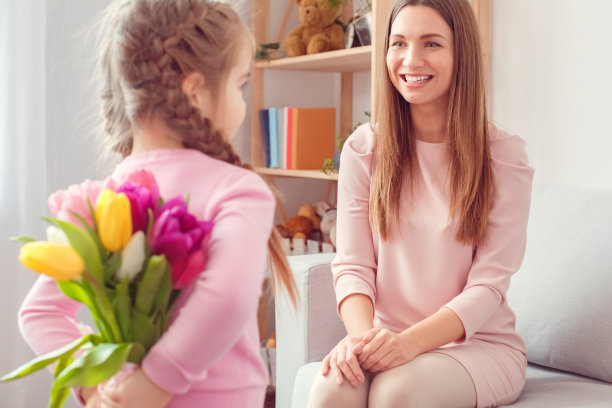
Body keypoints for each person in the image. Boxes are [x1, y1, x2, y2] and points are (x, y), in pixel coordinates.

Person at [18, 1, 297, 407]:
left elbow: (38, 314)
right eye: (240, 84)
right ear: (195, 90)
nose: (241, 101)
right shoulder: (238, 188)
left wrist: (98, 388)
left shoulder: (103, 199)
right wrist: (154, 384)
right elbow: (228, 299)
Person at [307, 0, 534, 407]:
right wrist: (362, 341)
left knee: (398, 393)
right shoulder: (364, 149)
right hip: (386, 338)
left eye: (431, 44)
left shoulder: (504, 155)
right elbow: (354, 266)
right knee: (328, 394)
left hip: (477, 346)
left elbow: (488, 285)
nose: (411, 60)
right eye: (399, 43)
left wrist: (408, 344)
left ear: (460, 52)